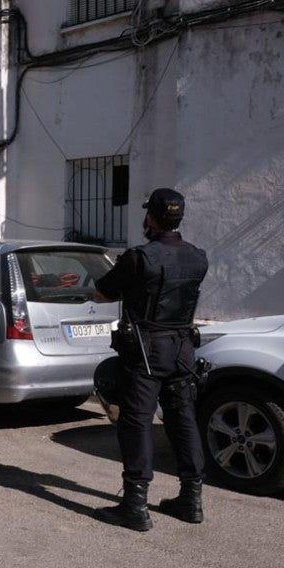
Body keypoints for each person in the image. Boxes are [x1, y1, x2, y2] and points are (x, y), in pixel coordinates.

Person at [93, 188, 209, 531]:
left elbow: (102, 292)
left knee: (137, 421)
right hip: (183, 348)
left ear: (152, 218)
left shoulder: (139, 257)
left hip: (146, 351)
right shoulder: (198, 257)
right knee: (182, 418)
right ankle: (192, 499)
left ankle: (135, 504)